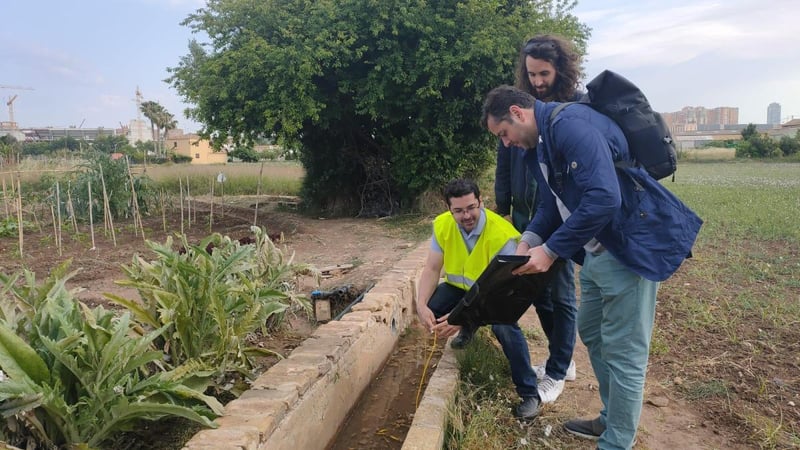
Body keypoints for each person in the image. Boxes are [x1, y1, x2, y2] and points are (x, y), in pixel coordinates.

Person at [481, 86, 702, 449]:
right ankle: (610, 418)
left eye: (503, 134)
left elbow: (604, 197)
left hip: (628, 250)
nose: (505, 145)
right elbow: (550, 205)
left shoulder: (570, 126)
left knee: (624, 350)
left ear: (518, 114)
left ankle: (617, 441)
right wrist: (529, 241)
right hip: (599, 252)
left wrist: (550, 252)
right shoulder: (542, 144)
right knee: (594, 331)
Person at [493, 34, 583, 404]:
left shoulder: (570, 113)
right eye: (531, 74)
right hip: (529, 218)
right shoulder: (520, 111)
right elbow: (505, 161)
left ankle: (560, 370)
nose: (537, 81)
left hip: (560, 220)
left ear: (561, 70)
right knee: (543, 294)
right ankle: (562, 359)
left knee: (561, 296)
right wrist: (504, 206)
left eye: (543, 73)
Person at [415, 178, 541, 420]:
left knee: (505, 329)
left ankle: (529, 393)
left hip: (495, 296)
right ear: (449, 209)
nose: (467, 216)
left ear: (481, 202)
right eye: (459, 211)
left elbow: (499, 295)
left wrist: (461, 319)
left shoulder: (503, 236)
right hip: (459, 288)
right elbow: (432, 269)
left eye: (472, 207)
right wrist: (421, 306)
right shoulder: (442, 226)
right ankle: (470, 328)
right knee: (433, 307)